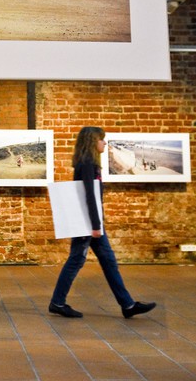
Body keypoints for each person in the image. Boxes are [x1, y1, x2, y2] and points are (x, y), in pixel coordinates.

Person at [49, 126, 156, 319]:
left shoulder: (87, 163)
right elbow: (89, 196)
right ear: (92, 142)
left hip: (90, 222)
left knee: (108, 261)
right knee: (76, 260)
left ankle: (128, 305)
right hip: (88, 224)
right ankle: (57, 303)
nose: (104, 142)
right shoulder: (87, 164)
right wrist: (96, 226)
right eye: (101, 139)